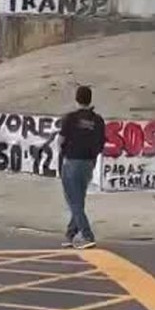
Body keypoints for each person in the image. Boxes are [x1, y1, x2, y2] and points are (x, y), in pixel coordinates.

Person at [57, 85, 106, 250]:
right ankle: (70, 234)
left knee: (73, 200)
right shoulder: (98, 120)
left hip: (72, 161)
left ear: (77, 99)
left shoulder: (70, 118)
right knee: (78, 199)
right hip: (89, 163)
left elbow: (61, 141)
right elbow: (101, 143)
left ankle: (87, 235)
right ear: (90, 99)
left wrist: (62, 154)